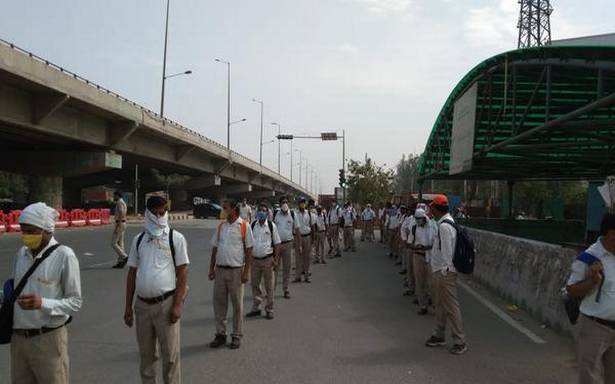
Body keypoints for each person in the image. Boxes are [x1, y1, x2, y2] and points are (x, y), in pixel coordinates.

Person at [11, 202, 82, 384]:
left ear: (47, 230)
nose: (26, 236)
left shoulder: (64, 256)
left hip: (48, 340)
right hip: (19, 340)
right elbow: (15, 291)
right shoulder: (22, 255)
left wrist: (42, 303)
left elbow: (75, 301)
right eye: (23, 230)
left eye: (32, 231)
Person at [124, 196, 189, 384]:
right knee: (146, 358)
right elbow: (131, 275)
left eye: (163, 213)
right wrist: (128, 308)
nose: (159, 216)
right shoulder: (139, 240)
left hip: (166, 305)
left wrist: (177, 305)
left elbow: (183, 273)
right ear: (148, 213)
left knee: (170, 357)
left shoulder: (175, 238)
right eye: (155, 213)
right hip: (142, 306)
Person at [566, 213, 615, 384]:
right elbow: (571, 290)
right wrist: (593, 282)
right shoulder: (589, 258)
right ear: (611, 234)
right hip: (595, 327)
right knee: (589, 377)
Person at [208, 199, 254, 350]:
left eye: (225, 208)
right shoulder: (221, 226)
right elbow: (215, 248)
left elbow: (249, 251)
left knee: (237, 305)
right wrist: (211, 268)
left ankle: (236, 335)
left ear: (234, 209)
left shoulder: (244, 226)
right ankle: (220, 334)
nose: (223, 210)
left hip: (236, 271)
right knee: (219, 304)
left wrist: (246, 272)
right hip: (220, 271)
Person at [425, 194, 467, 355]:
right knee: (441, 306)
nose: (431, 210)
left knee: (450, 307)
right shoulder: (446, 223)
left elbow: (447, 253)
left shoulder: (444, 226)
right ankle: (439, 334)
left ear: (436, 208)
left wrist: (443, 272)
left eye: (432, 207)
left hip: (445, 272)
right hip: (442, 271)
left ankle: (459, 340)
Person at [246, 204, 281, 320]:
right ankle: (256, 307)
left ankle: (269, 309)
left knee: (269, 286)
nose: (261, 212)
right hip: (255, 261)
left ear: (267, 213)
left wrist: (276, 260)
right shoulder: (252, 225)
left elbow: (277, 244)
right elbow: (248, 243)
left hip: (268, 260)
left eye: (264, 211)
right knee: (255, 285)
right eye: (260, 210)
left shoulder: (271, 226)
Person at [408, 208, 436, 315]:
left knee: (432, 282)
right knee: (420, 281)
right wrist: (416, 246)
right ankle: (423, 305)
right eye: (417, 219)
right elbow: (410, 242)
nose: (418, 220)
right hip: (418, 256)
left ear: (424, 217)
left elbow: (435, 243)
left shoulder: (432, 226)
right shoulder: (415, 228)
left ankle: (435, 304)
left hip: (429, 256)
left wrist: (426, 247)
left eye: (420, 218)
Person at [272, 197, 295, 299]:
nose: (285, 204)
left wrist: (296, 243)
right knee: (275, 267)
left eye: (286, 202)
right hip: (277, 245)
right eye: (283, 202)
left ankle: (286, 289)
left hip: (288, 244)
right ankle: (271, 290)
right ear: (280, 204)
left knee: (287, 267)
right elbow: (271, 229)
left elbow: (296, 229)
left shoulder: (292, 214)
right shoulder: (275, 214)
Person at [294, 198, 315, 283]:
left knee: (307, 257)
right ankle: (298, 276)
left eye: (303, 203)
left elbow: (313, 226)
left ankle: (306, 276)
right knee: (298, 258)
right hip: (298, 237)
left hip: (307, 237)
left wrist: (313, 239)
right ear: (298, 204)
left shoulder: (309, 214)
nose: (302, 204)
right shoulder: (295, 214)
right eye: (301, 203)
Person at [112, 190, 129, 269]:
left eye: (114, 196)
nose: (113, 197)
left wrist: (117, 224)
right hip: (122, 223)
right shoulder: (121, 202)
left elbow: (122, 212)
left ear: (117, 196)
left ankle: (124, 257)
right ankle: (120, 261)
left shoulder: (119, 202)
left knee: (113, 243)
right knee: (120, 243)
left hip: (120, 223)